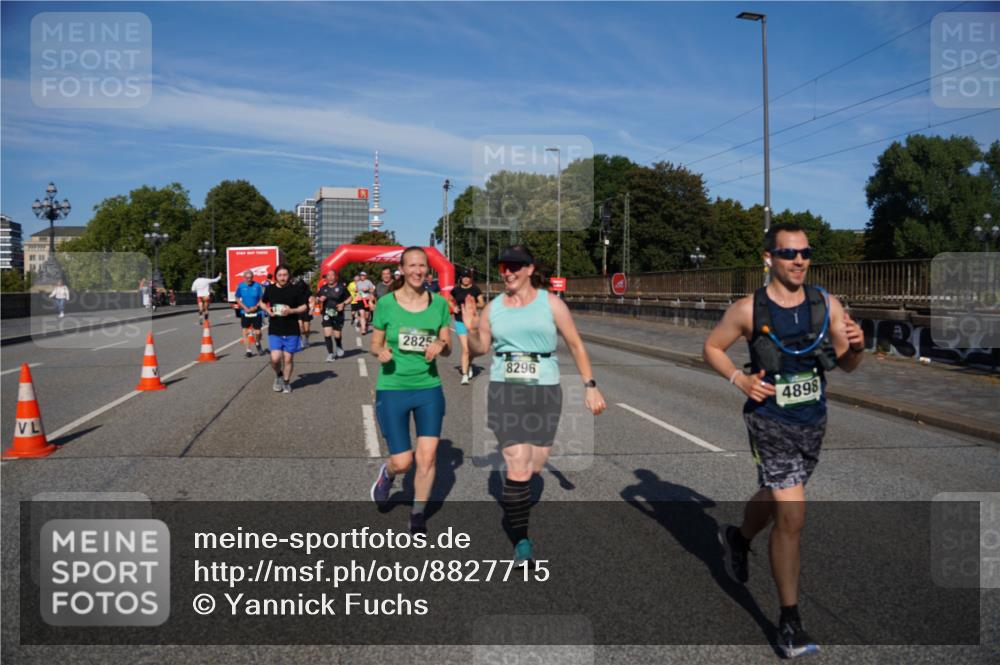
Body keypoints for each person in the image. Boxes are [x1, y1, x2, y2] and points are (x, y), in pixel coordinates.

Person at [703, 222, 865, 659]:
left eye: (805, 253)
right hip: (769, 420)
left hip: (812, 420)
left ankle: (738, 538)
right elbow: (712, 347)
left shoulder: (825, 304)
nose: (799, 261)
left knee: (777, 496)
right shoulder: (747, 309)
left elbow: (847, 364)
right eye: (789, 253)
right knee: (792, 514)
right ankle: (789, 620)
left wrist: (858, 346)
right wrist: (739, 379)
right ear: (768, 258)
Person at [463, 245, 606, 565]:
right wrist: (470, 328)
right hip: (504, 389)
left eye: (515, 266)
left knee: (535, 466)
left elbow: (575, 344)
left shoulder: (551, 303)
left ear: (529, 269)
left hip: (545, 391)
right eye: (504, 267)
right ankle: (522, 541)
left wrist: (590, 386)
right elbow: (480, 348)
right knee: (519, 465)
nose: (508, 272)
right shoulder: (493, 308)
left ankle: (515, 490)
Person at [369, 247, 452, 535]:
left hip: (429, 388)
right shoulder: (386, 304)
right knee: (404, 462)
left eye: (423, 266)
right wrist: (380, 352)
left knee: (427, 458)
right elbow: (375, 343)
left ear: (428, 270)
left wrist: (441, 345)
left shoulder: (439, 304)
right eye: (412, 266)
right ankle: (388, 473)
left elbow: (447, 345)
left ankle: (417, 514)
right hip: (393, 388)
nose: (418, 271)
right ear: (402, 269)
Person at [260, 265, 310, 394]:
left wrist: (291, 311)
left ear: (289, 276)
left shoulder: (295, 289)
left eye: (285, 275)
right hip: (275, 328)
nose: (282, 278)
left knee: (288, 359)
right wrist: (267, 310)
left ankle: (287, 382)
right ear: (276, 276)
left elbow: (304, 306)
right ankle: (278, 375)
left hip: (291, 329)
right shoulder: (270, 289)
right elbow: (262, 302)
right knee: (275, 358)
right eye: (280, 275)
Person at [451, 269, 485, 385]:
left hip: (472, 323)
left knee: (472, 350)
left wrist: (473, 304)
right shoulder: (456, 290)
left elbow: (482, 304)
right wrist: (453, 307)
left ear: (470, 278)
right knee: (465, 349)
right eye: (464, 277)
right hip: (460, 321)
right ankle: (465, 375)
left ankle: (469, 364)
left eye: (468, 277)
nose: (466, 279)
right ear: (461, 278)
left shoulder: (475, 289)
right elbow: (449, 299)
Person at [317, 269, 352, 362]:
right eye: (328, 275)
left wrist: (343, 304)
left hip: (338, 313)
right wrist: (319, 299)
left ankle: (339, 345)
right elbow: (317, 298)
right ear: (326, 278)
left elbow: (350, 298)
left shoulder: (341, 288)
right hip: (326, 313)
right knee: (327, 333)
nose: (330, 277)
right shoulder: (323, 288)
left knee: (337, 335)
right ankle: (330, 354)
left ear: (336, 277)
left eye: (332, 275)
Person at [235, 270, 266, 358]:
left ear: (253, 277)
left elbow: (261, 298)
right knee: (245, 331)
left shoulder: (257, 286)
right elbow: (237, 298)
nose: (249, 279)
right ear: (244, 278)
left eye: (250, 277)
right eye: (247, 278)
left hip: (256, 311)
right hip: (245, 311)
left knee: (258, 332)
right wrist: (244, 307)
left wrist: (256, 306)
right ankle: (248, 350)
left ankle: (257, 342)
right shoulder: (241, 286)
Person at [295, 276, 314, 349]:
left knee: (306, 328)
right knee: (300, 327)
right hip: (298, 311)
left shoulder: (308, 292)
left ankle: (306, 339)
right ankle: (300, 341)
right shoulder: (295, 292)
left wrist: (311, 310)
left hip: (306, 311)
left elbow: (312, 301)